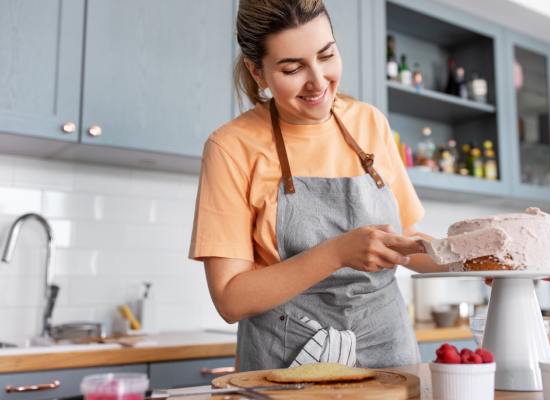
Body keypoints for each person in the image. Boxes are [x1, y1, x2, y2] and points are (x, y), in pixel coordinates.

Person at [189, 0, 447, 372]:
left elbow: (404, 242)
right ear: (257, 72)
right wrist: (337, 253)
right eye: (292, 68)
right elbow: (230, 298)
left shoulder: (368, 122)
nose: (318, 81)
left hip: (390, 356)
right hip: (288, 365)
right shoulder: (231, 147)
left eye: (327, 55)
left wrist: (482, 263)